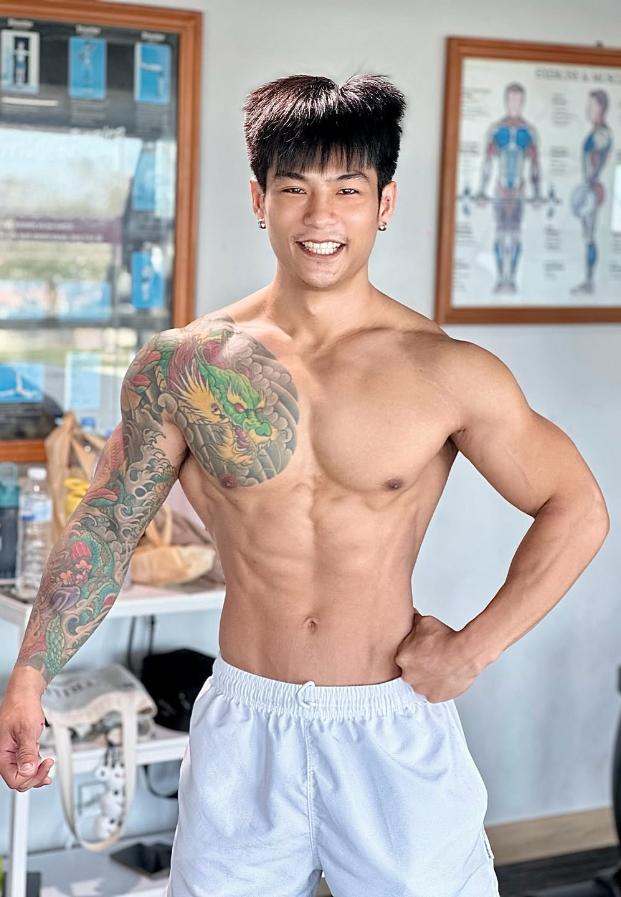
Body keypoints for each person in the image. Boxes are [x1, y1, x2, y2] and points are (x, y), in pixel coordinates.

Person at [0, 73, 610, 897]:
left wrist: (472, 649)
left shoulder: (447, 370)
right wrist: (31, 673)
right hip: (246, 721)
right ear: (260, 199)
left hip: (390, 717)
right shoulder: (183, 365)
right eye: (294, 189)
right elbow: (107, 527)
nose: (320, 217)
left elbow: (576, 506)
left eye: (347, 190)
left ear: (384, 203)